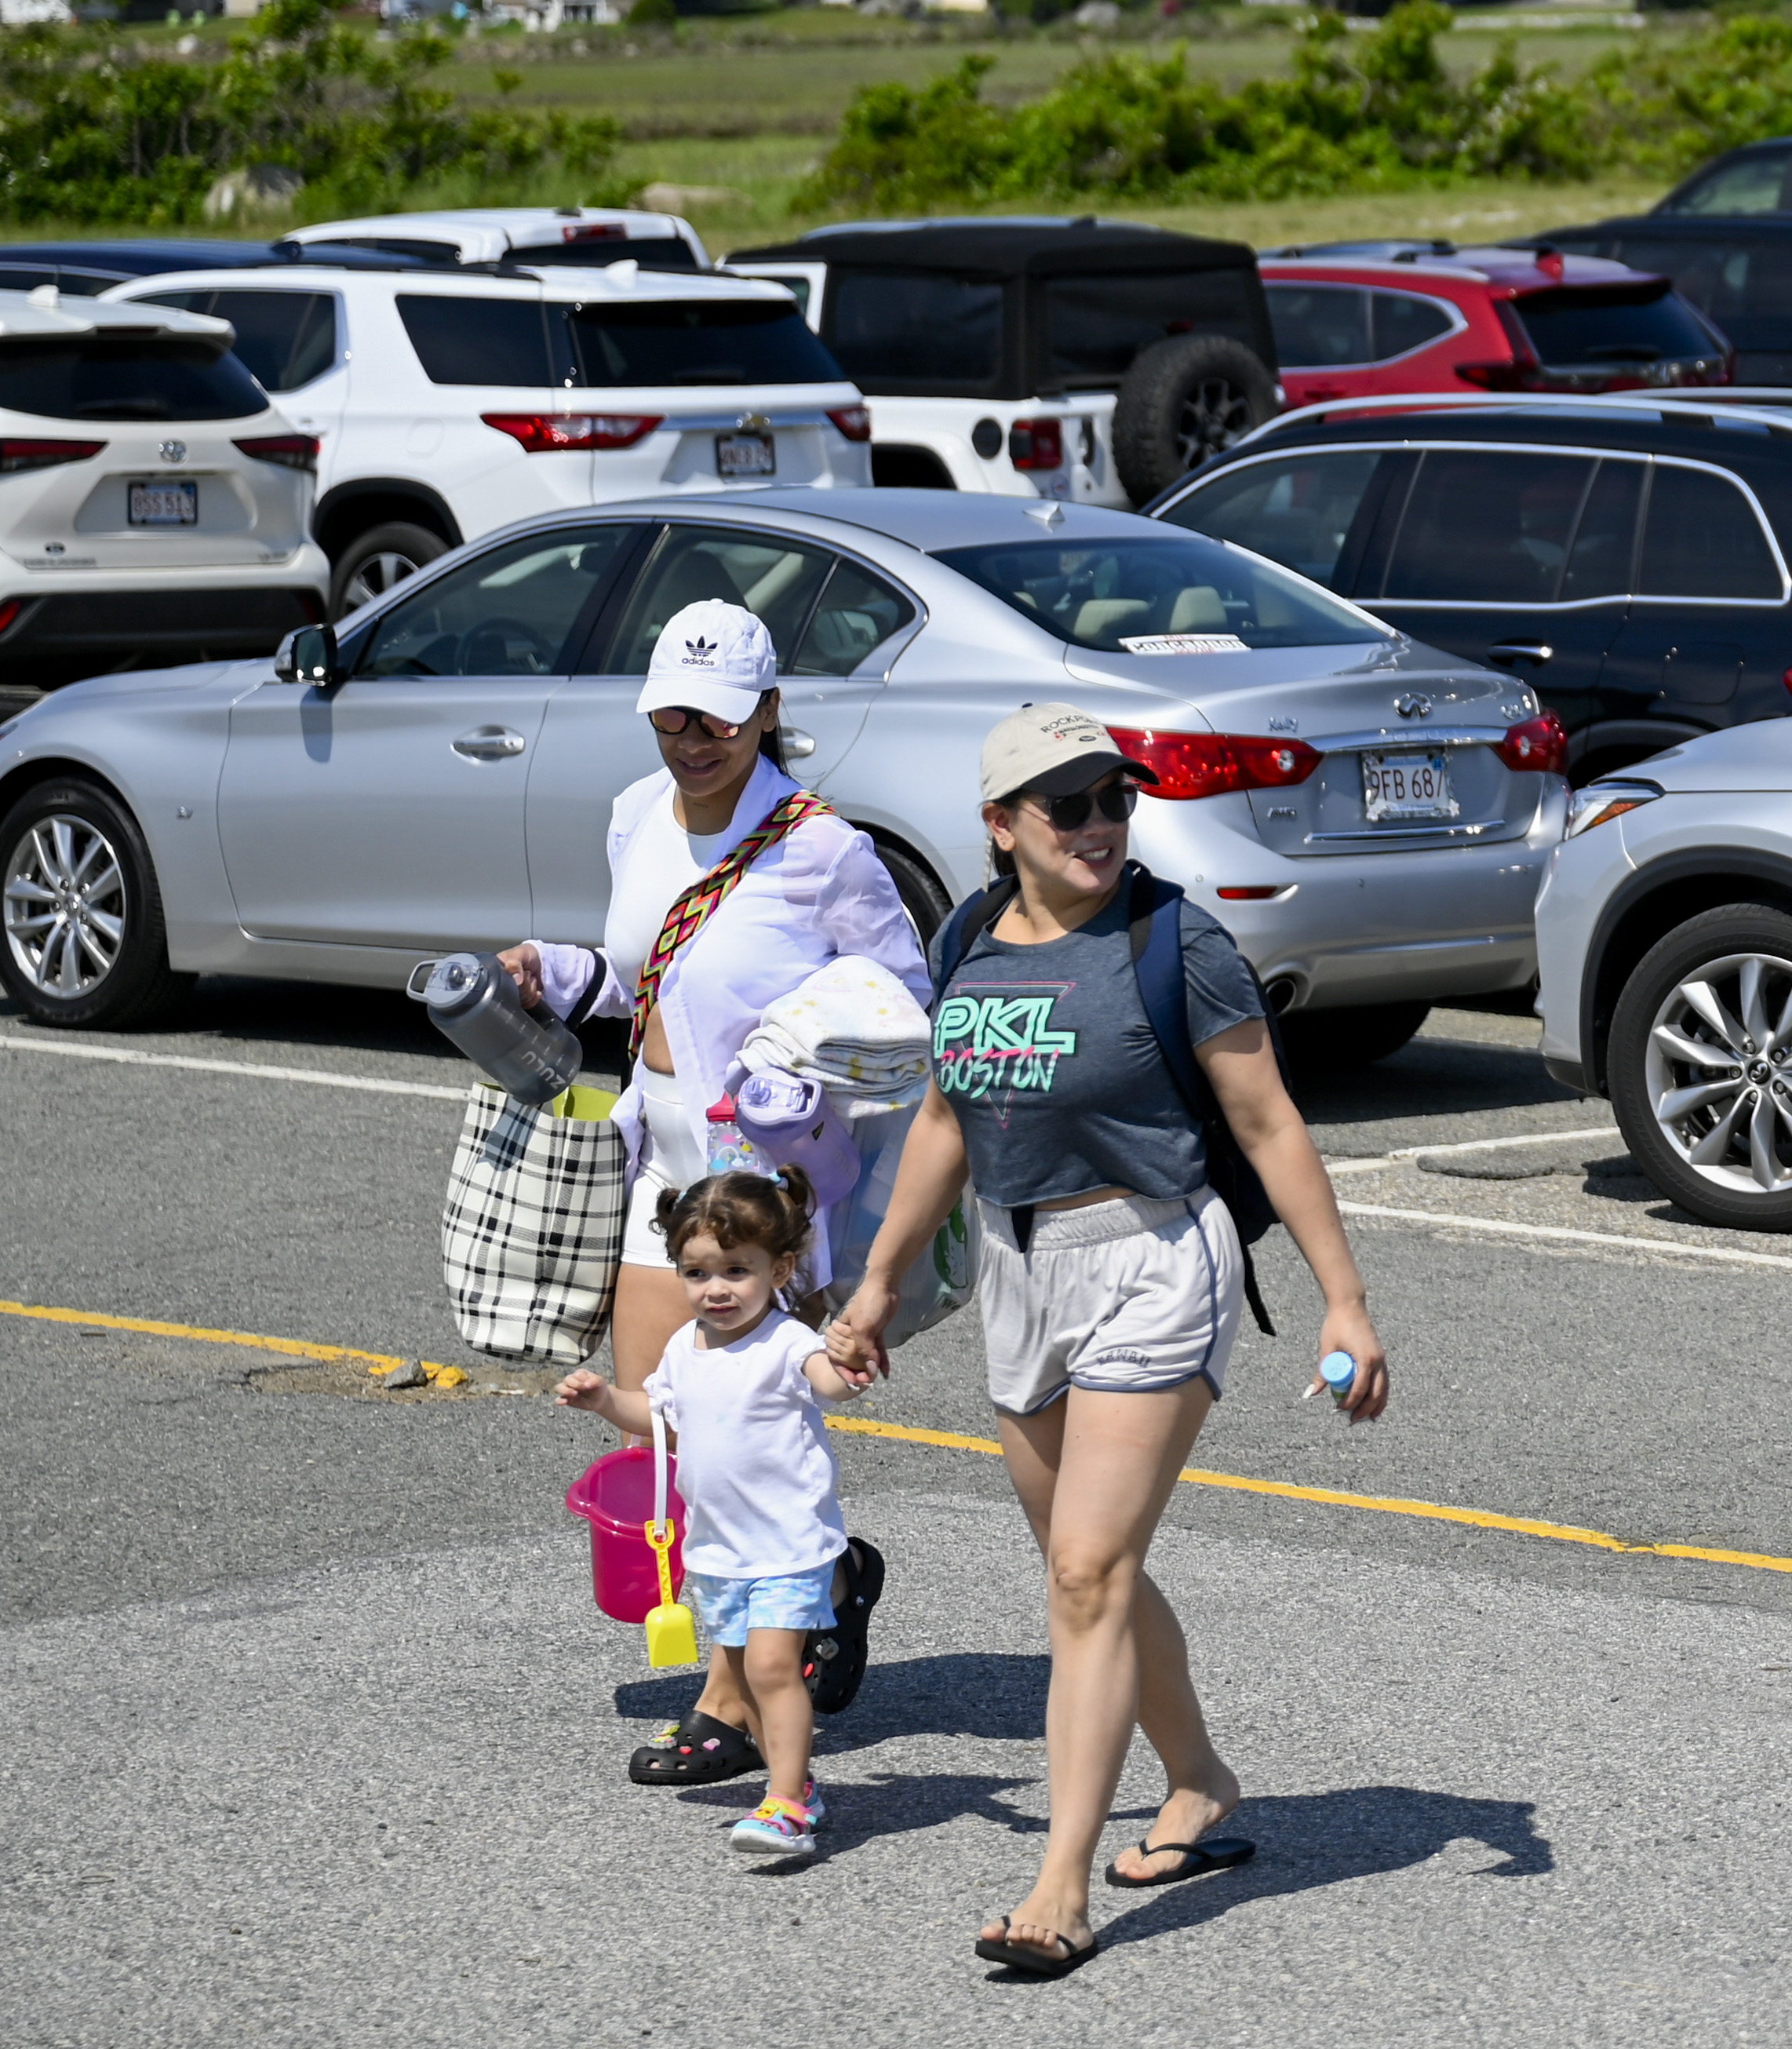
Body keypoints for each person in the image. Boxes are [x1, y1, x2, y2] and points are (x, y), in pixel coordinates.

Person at [825, 703, 1392, 1982]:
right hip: (1022, 1266)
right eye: (1066, 803)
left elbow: (1269, 1121)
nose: (1097, 823)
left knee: (1083, 1569)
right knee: (1098, 1571)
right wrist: (874, 1287)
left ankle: (1059, 1884)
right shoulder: (967, 936)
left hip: (1151, 1257)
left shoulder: (1173, 940)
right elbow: (938, 1119)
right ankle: (1196, 1778)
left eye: (1112, 799)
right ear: (1001, 824)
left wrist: (1341, 1296)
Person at [501, 596, 931, 1789]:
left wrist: (805, 1061)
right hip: (657, 1163)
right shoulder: (637, 817)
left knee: (740, 1429)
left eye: (720, 720)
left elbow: (906, 1006)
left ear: (769, 714)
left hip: (765, 1186)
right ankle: (828, 1579)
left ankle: (730, 1703)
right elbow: (637, 984)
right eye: (673, 716)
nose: (693, 740)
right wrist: (555, 974)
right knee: (675, 1425)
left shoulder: (822, 849)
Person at [556, 1169, 864, 1867]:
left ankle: (786, 1803)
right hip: (718, 1548)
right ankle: (795, 1786)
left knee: (773, 1665)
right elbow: (658, 1416)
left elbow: (831, 1385)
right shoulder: (683, 1348)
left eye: (736, 1270)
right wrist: (607, 1400)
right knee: (752, 1676)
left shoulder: (788, 1343)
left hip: (788, 1544)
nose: (716, 1288)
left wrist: (847, 1361)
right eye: (697, 1272)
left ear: (780, 1268)